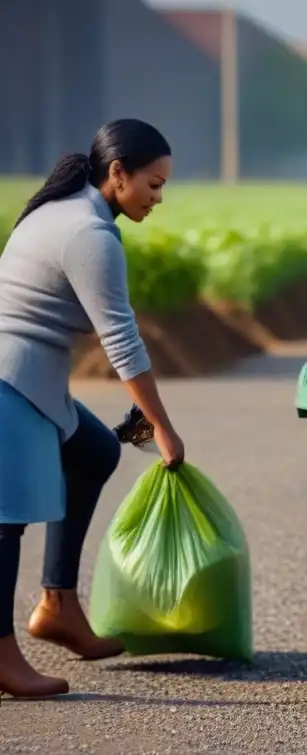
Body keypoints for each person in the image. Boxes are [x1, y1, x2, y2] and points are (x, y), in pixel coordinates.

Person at [0, 119, 187, 699]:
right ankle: (1, 657)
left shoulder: (71, 209)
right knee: (7, 522)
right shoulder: (90, 232)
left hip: (34, 379)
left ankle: (57, 605)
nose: (158, 199)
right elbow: (121, 340)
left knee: (96, 451)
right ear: (117, 174)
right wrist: (161, 425)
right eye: (153, 186)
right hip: (11, 383)